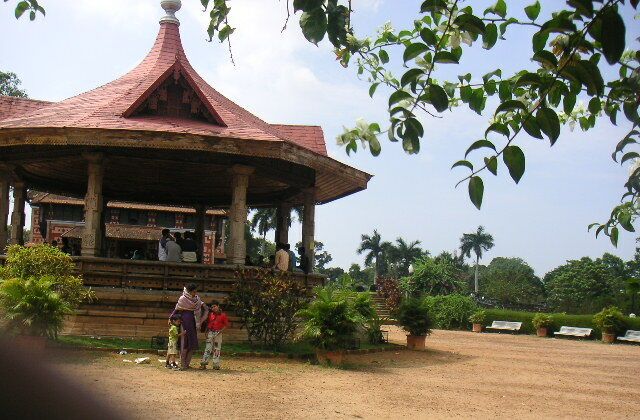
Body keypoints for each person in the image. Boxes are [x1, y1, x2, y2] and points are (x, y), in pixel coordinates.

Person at [169, 283, 208, 370]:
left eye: (196, 291)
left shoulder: (197, 299)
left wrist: (201, 320)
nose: (195, 293)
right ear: (189, 291)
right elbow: (176, 309)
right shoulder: (183, 299)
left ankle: (187, 363)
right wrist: (170, 318)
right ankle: (183, 364)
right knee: (184, 344)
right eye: (194, 292)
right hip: (185, 323)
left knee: (192, 344)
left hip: (194, 324)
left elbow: (206, 308)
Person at [199, 301, 229, 370]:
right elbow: (208, 324)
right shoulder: (211, 315)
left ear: (218, 306)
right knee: (208, 348)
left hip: (218, 333)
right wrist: (206, 332)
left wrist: (221, 331)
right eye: (212, 307)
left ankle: (216, 365)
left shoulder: (223, 315)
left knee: (217, 349)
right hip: (210, 332)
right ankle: (203, 364)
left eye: (214, 306)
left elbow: (226, 325)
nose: (213, 308)